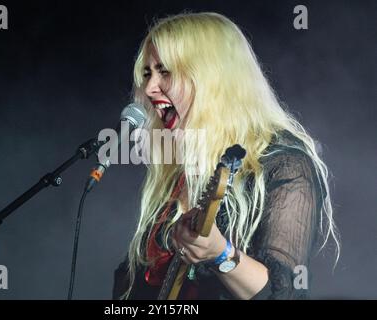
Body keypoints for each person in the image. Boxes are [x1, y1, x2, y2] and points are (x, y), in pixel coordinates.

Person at [112, 12, 340, 300]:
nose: (149, 88)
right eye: (147, 73)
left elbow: (286, 293)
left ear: (212, 77)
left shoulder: (283, 166)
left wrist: (221, 254)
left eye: (165, 71)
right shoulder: (178, 173)